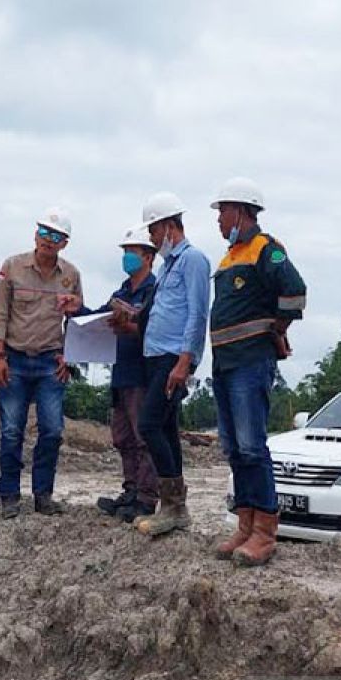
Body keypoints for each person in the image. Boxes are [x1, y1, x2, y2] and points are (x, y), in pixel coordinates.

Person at [208, 177, 306, 566]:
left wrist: (277, 329)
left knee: (252, 446)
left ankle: (265, 531)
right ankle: (245, 524)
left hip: (250, 362)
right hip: (225, 363)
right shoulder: (229, 257)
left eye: (222, 212)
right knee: (233, 448)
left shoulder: (266, 249)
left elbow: (295, 291)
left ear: (241, 210)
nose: (218, 220)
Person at [60, 225, 160, 523]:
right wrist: (78, 310)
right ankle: (129, 492)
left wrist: (132, 325)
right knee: (123, 438)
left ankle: (146, 498)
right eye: (125, 252)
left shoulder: (154, 291)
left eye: (133, 252)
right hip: (120, 373)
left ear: (149, 256)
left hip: (143, 374)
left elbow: (156, 330)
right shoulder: (122, 292)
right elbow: (97, 319)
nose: (127, 257)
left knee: (144, 439)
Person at [0, 208, 83, 519]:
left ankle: (43, 494)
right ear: (35, 234)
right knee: (12, 431)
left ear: (64, 243)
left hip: (49, 363)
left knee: (53, 431)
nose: (48, 240)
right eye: (44, 232)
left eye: (55, 236)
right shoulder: (12, 267)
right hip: (14, 359)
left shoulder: (71, 276)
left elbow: (78, 321)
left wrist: (69, 357)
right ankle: (10, 497)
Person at [131, 192, 211, 537]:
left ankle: (173, 505)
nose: (150, 238)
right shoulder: (168, 266)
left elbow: (197, 313)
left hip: (172, 359)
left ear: (167, 226)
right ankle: (176, 509)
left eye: (152, 230)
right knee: (165, 429)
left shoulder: (193, 260)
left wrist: (185, 361)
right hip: (155, 357)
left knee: (148, 424)